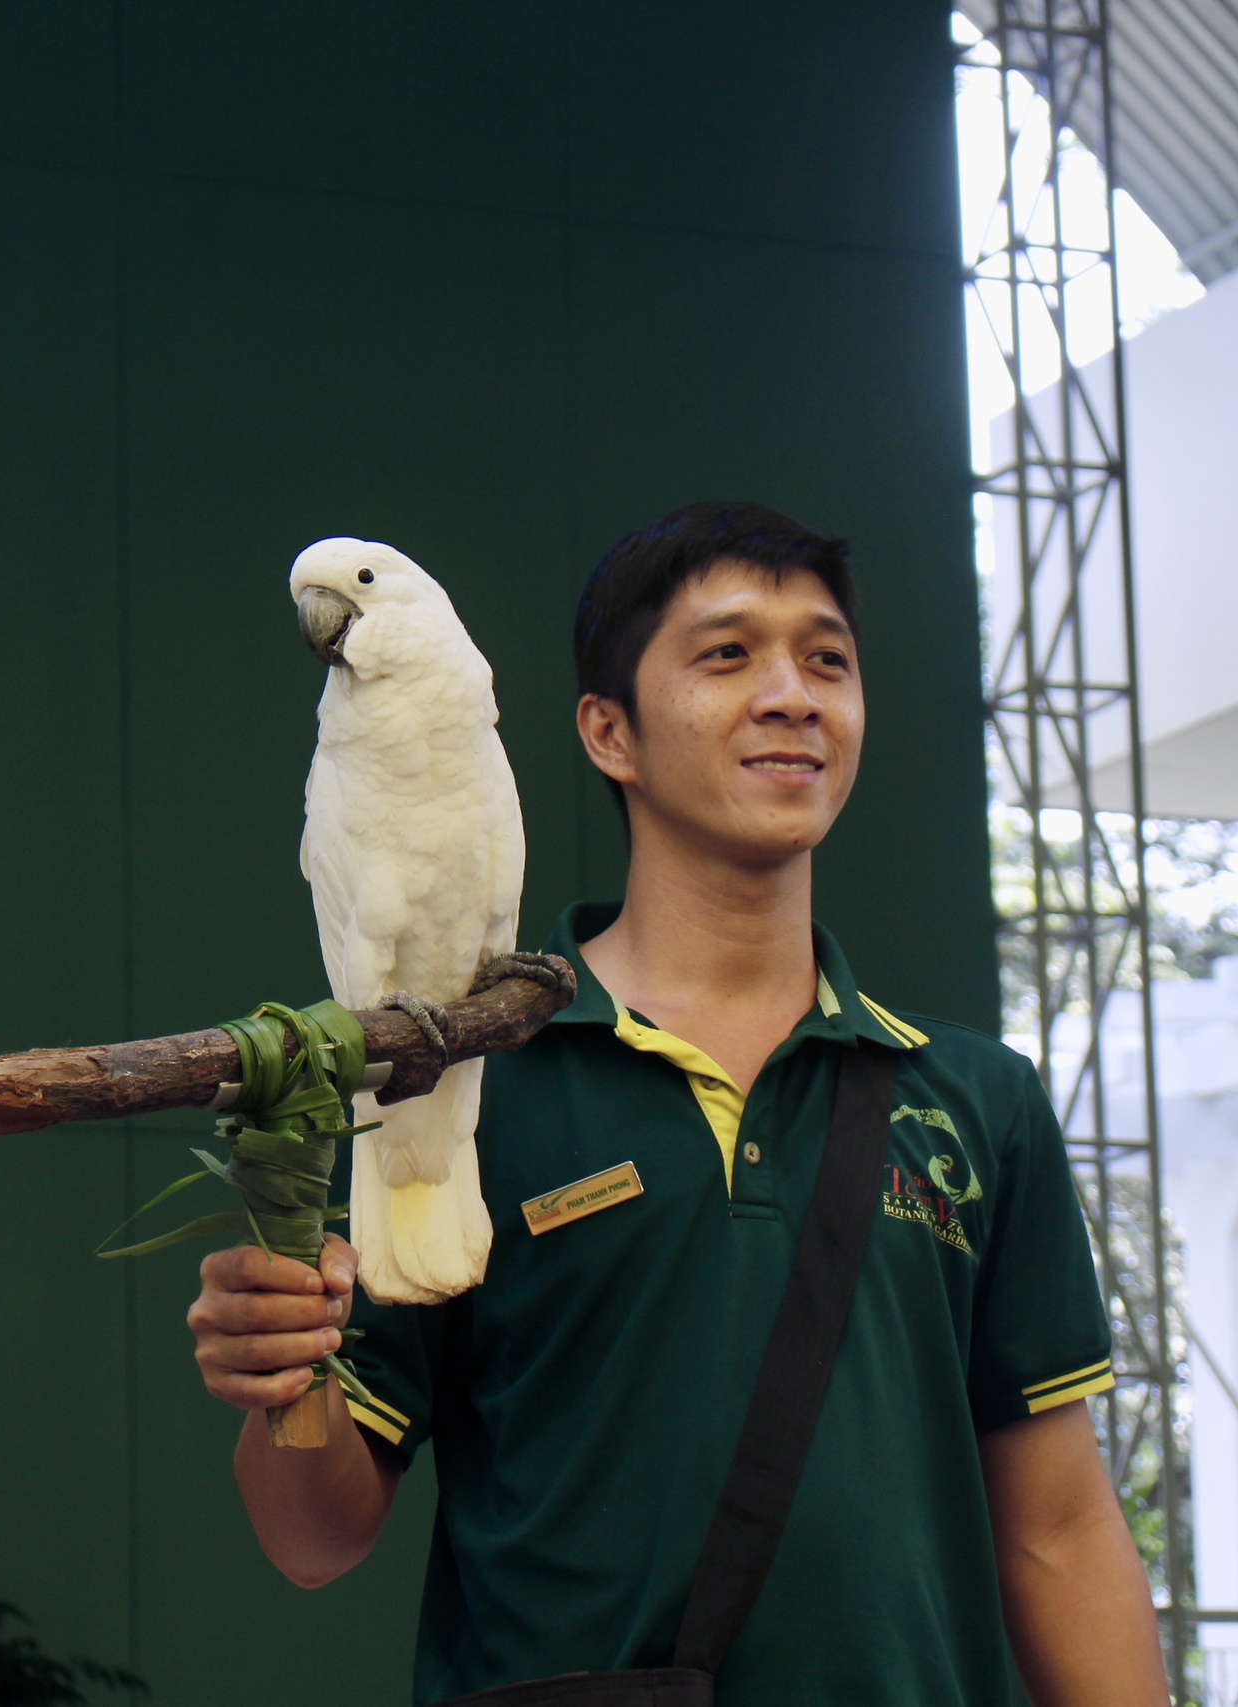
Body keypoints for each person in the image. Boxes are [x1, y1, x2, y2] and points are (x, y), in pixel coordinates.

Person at [187, 502, 1170, 1705]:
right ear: (610, 732)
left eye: (827, 660)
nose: (793, 695)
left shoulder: (976, 1098)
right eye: (727, 654)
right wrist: (283, 1369)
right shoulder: (460, 1087)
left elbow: (1058, 1531)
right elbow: (314, 1539)